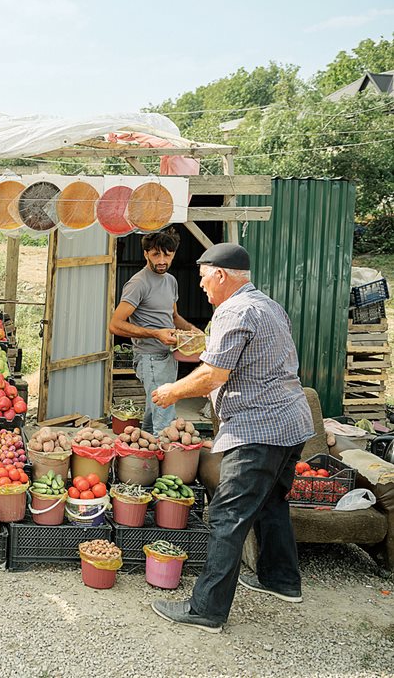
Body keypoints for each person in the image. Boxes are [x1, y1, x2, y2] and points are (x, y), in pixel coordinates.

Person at [149, 243, 314, 633]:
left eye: (204, 277)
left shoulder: (234, 311)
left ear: (221, 275)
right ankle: (281, 580)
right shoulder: (268, 305)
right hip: (291, 423)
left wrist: (172, 392)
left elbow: (213, 375)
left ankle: (206, 609)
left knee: (227, 515)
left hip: (259, 428)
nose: (202, 286)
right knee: (271, 502)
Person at [109, 228, 199, 434]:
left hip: (169, 356)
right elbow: (115, 324)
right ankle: (166, 460)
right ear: (146, 254)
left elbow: (174, 317)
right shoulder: (138, 283)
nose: (162, 260)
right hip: (150, 358)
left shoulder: (171, 281)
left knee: (154, 411)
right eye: (156, 254)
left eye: (167, 254)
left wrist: (192, 330)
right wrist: (155, 333)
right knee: (165, 416)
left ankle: (145, 454)